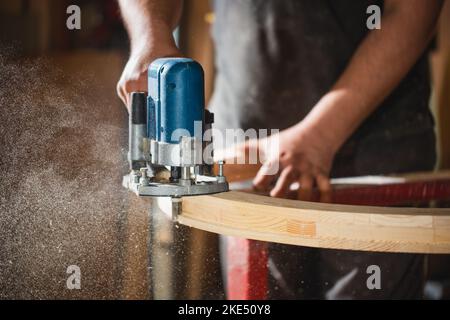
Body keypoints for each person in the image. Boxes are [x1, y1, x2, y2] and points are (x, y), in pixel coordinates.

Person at [117, 0, 443, 299]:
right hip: (249, 148)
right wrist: (151, 35)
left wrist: (320, 135)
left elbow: (416, 9)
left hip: (379, 143)